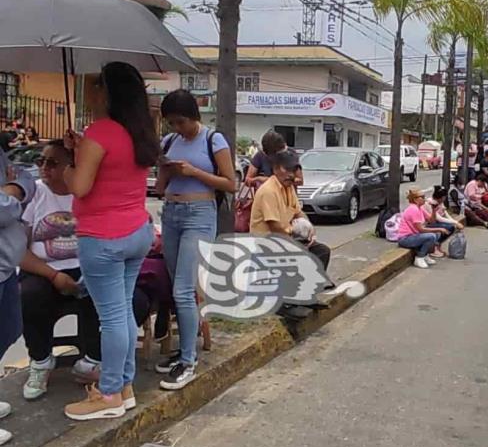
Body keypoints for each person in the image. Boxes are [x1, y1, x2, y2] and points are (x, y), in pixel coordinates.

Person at [62, 62, 158, 421]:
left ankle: (108, 396)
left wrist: (70, 167)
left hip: (103, 237)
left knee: (113, 318)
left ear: (105, 92)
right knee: (121, 316)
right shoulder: (139, 131)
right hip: (137, 232)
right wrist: (81, 149)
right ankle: (124, 386)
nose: (89, 91)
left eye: (93, 85)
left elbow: (81, 187)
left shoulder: (99, 132)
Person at [154, 89, 236, 391]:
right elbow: (160, 188)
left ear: (194, 117)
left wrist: (194, 172)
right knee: (179, 285)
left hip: (200, 214)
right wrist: (165, 170)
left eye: (181, 122)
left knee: (183, 289)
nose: (177, 128)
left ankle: (188, 361)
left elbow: (230, 184)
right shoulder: (170, 142)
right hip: (172, 213)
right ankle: (185, 347)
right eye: (172, 123)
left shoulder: (213, 140)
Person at [18, 140, 103, 400]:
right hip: (44, 270)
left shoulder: (88, 194)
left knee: (110, 293)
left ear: (72, 168)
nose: (44, 168)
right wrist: (54, 276)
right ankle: (41, 361)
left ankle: (93, 360)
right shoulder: (35, 195)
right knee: (28, 295)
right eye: (40, 161)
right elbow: (19, 250)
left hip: (84, 267)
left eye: (53, 163)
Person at [0, 151, 36, 446]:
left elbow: (27, 178)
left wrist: (13, 190)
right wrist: (14, 195)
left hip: (6, 264)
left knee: (10, 328)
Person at [250, 150, 331, 271]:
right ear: (276, 169)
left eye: (293, 171)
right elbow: (274, 226)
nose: (291, 175)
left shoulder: (288, 187)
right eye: (287, 170)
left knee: (322, 251)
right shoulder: (268, 191)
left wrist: (310, 231)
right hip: (269, 242)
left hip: (287, 238)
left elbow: (298, 213)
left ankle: (311, 285)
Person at [397, 188, 450, 269]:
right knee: (431, 236)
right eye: (422, 197)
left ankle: (425, 254)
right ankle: (420, 257)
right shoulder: (413, 209)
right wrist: (439, 229)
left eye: (424, 196)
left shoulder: (420, 208)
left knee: (436, 234)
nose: (424, 199)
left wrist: (434, 211)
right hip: (405, 238)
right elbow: (421, 229)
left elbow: (431, 221)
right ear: (415, 200)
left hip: (414, 235)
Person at [423, 185, 463, 257]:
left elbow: (445, 214)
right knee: (449, 227)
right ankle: (435, 247)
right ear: (442, 197)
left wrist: (455, 222)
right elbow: (439, 218)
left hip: (436, 222)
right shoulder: (430, 203)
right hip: (428, 223)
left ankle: (438, 246)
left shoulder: (440, 202)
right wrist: (455, 222)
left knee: (451, 227)